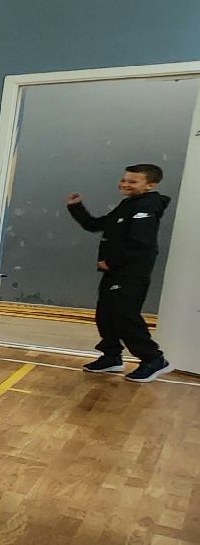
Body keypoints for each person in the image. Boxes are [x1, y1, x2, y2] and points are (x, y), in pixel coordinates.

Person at [69, 163, 172, 382]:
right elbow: (95, 225)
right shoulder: (128, 205)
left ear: (151, 185)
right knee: (106, 313)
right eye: (124, 179)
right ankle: (111, 356)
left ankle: (153, 359)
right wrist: (77, 208)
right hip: (116, 272)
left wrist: (111, 261)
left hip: (130, 273)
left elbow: (140, 243)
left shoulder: (147, 207)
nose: (125, 184)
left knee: (125, 315)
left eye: (133, 181)